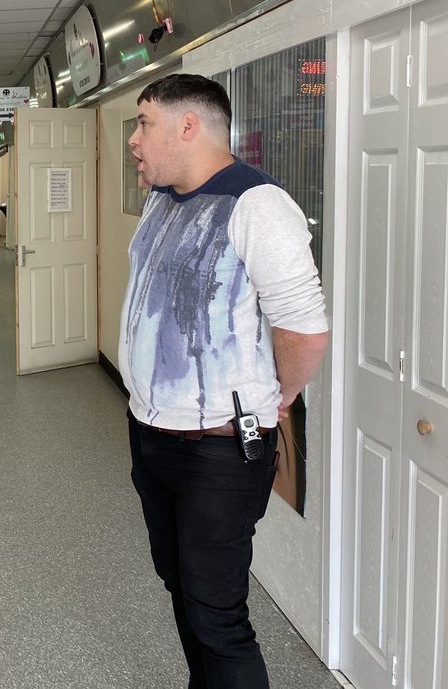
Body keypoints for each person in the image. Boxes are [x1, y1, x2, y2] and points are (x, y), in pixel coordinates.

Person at [120, 74, 328, 688]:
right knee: (181, 586)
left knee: (218, 616)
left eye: (144, 123)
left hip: (218, 449)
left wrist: (277, 398)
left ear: (190, 126)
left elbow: (305, 330)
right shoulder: (162, 199)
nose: (135, 140)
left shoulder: (255, 205)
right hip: (153, 434)